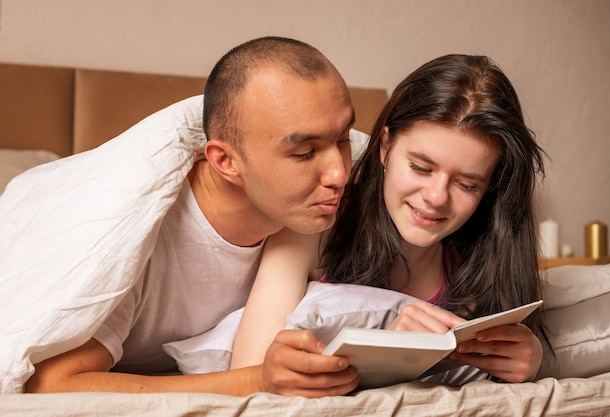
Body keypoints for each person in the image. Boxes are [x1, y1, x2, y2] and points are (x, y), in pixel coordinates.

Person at [22, 36, 361, 396]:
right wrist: (255, 380)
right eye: (306, 153)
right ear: (226, 162)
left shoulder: (325, 209)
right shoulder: (138, 232)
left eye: (342, 139)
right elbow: (51, 385)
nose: (339, 173)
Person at [232, 54, 547, 384]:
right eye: (421, 168)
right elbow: (249, 374)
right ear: (385, 146)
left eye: (467, 184)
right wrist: (383, 356)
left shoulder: (478, 264)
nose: (437, 197)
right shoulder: (317, 225)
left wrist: (532, 361)